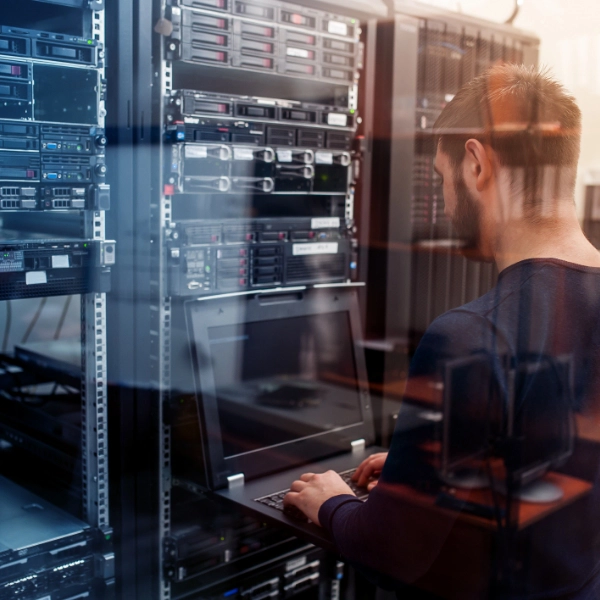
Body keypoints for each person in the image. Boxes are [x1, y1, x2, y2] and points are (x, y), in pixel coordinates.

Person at [283, 64, 600, 599]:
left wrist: (330, 502)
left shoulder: (469, 335)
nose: (447, 201)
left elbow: (394, 554)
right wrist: (421, 470)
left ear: (476, 163)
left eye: (442, 178)